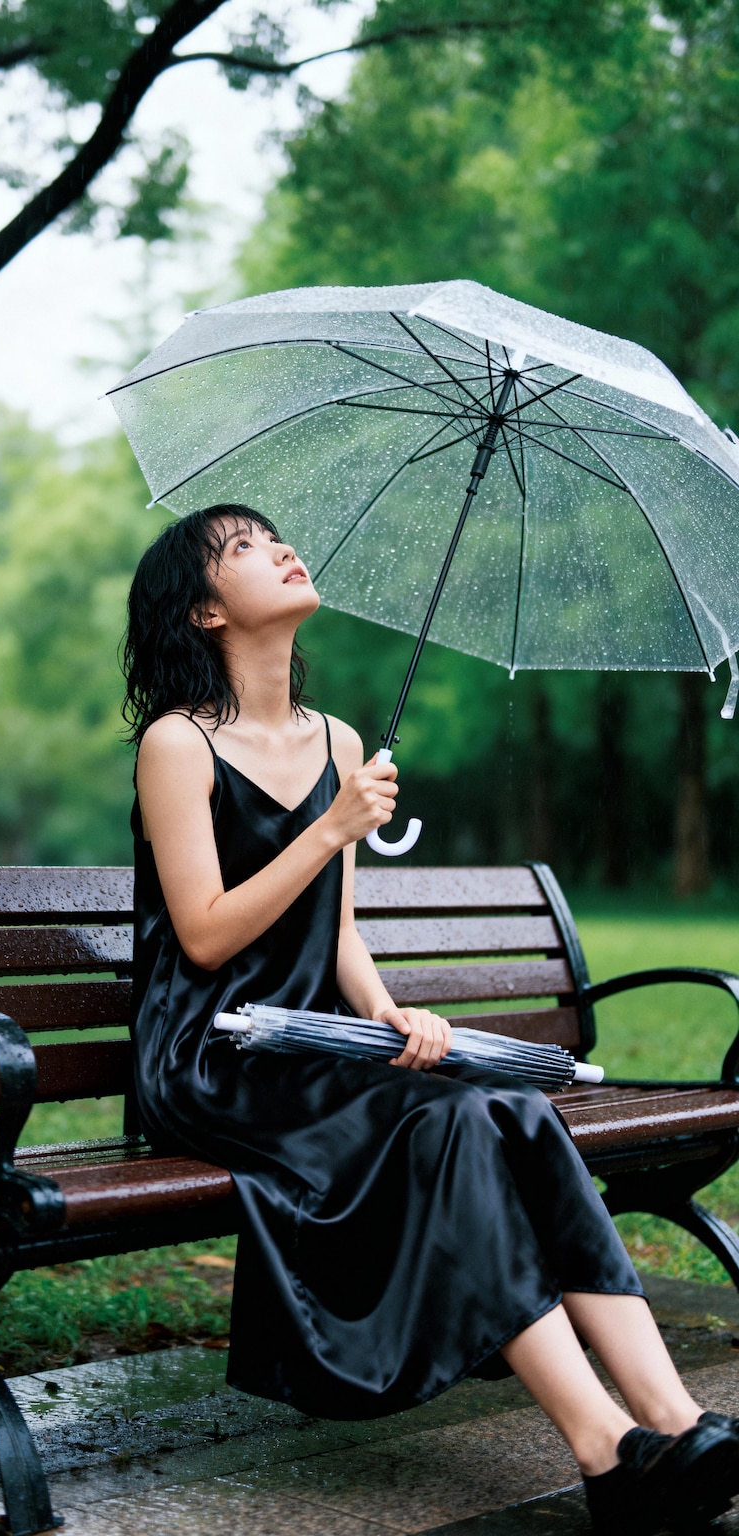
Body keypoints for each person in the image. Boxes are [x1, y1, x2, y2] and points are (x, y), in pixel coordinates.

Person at [123, 503, 738, 1535]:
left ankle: (674, 1421)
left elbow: (340, 935)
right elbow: (206, 937)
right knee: (453, 1128)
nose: (279, 546)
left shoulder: (340, 740)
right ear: (203, 613)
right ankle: (601, 1449)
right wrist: (329, 827)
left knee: (510, 1112)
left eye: (277, 534)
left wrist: (390, 1015)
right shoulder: (177, 745)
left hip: (323, 1051)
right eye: (241, 548)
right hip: (213, 1054)